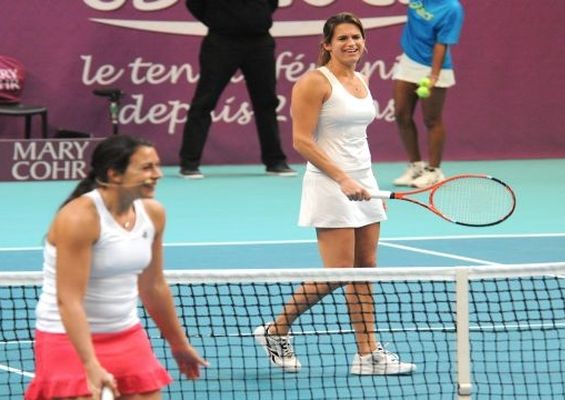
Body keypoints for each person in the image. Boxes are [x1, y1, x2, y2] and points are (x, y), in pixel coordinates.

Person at [254, 12, 416, 376]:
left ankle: (367, 354)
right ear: (327, 44)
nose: (351, 43)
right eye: (342, 38)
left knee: (366, 269)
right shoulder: (313, 82)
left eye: (356, 37)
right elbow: (301, 141)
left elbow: (354, 136)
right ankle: (275, 330)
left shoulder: (361, 78)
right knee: (340, 271)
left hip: (364, 183)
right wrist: (342, 177)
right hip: (330, 183)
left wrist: (360, 178)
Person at [25, 135, 209, 400]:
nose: (157, 174)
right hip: (67, 339)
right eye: (146, 168)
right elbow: (69, 300)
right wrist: (89, 363)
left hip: (126, 335)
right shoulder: (79, 219)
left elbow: (153, 286)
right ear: (115, 174)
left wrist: (178, 343)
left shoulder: (153, 214)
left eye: (156, 166)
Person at [179, 0, 296, 179]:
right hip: (221, 41)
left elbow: (272, 3)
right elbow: (195, 4)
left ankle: (275, 161)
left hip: (259, 42)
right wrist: (218, 21)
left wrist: (254, 18)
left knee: (266, 103)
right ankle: (189, 163)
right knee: (204, 102)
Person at [392, 0, 465, 188]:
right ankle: (416, 167)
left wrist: (434, 75)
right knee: (401, 114)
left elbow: (442, 44)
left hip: (434, 66)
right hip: (409, 61)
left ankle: (434, 171)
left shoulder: (452, 8)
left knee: (432, 120)